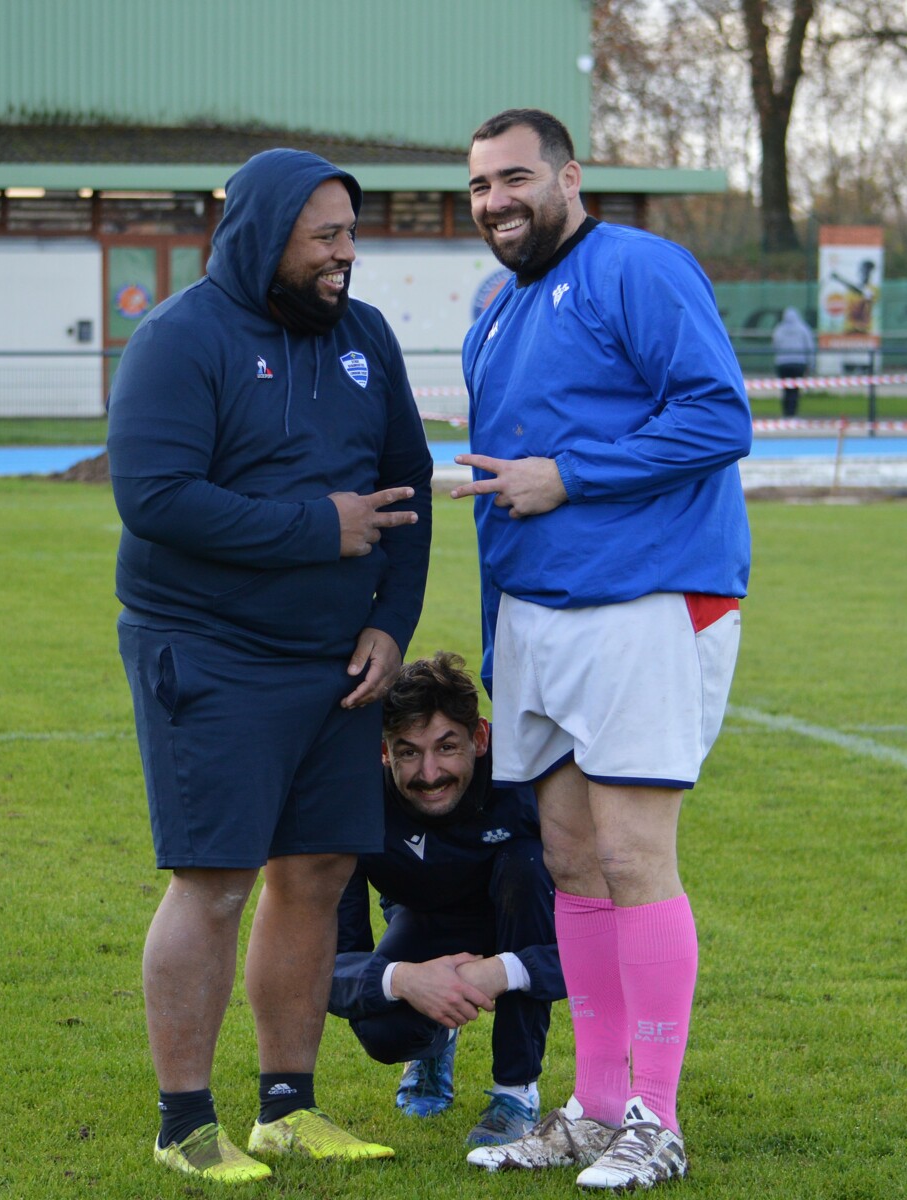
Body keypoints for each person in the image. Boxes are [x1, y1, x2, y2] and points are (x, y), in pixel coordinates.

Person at [107, 148, 433, 1183]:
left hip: (339, 661)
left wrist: (391, 624)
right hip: (211, 650)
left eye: (351, 233)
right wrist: (314, 528)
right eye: (324, 235)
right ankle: (184, 1125)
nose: (346, 253)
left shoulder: (365, 336)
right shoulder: (180, 337)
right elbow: (153, 497)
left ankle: (287, 1109)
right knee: (213, 883)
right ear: (263, 237)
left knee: (319, 875)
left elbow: (408, 487)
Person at [450, 109, 751, 1191]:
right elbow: (501, 496)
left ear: (569, 176)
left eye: (515, 178)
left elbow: (718, 415)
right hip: (534, 619)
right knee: (570, 861)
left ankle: (654, 1120)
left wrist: (570, 475)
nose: (496, 202)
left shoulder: (638, 267)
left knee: (631, 858)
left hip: (642, 601)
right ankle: (592, 1108)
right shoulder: (492, 310)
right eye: (479, 186)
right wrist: (499, 646)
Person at [328, 652, 565, 1147]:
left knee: (525, 866)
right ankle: (433, 1046)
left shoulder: (529, 778)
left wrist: (505, 970)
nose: (430, 772)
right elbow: (325, 966)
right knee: (382, 1030)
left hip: (519, 917)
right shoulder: (352, 799)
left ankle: (516, 1092)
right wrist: (405, 979)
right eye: (408, 752)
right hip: (425, 919)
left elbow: (600, 946)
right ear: (384, 752)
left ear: (480, 738)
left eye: (447, 746)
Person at [771, 306, 815, 417]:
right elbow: (809, 346)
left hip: (783, 364)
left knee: (786, 389)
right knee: (795, 390)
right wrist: (811, 364)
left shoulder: (779, 329)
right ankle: (793, 413)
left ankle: (786, 413)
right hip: (799, 363)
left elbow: (775, 345)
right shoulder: (803, 328)